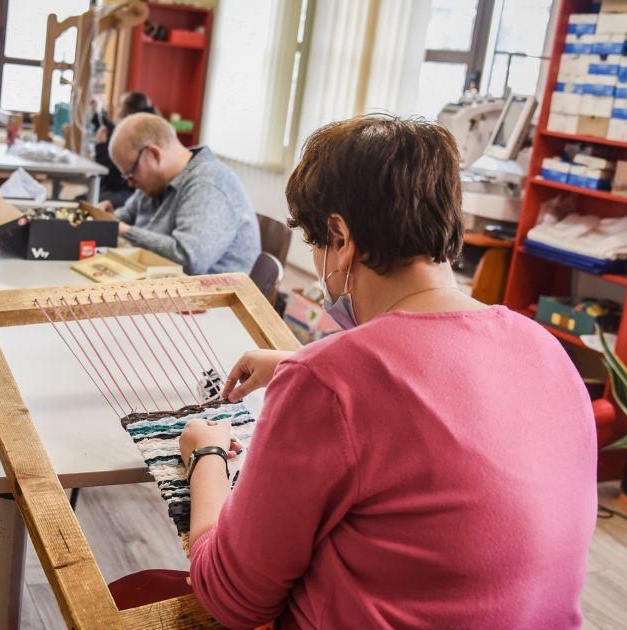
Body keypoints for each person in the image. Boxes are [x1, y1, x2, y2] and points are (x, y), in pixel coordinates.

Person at [168, 116, 597, 628]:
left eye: (317, 247)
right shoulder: (546, 351)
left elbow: (234, 598)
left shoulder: (333, 382)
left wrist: (207, 457)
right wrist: (295, 365)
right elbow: (440, 399)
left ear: (341, 237)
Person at [99, 113, 259, 276]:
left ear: (154, 154)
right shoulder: (157, 181)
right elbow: (128, 214)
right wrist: (110, 219)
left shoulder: (208, 183)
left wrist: (125, 231)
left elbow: (188, 259)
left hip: (208, 293)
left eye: (131, 174)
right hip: (159, 280)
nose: (130, 183)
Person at [92, 91, 158, 208]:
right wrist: (97, 114)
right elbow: (113, 129)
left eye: (119, 107)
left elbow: (113, 176)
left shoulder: (134, 138)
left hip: (124, 192)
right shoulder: (142, 130)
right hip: (123, 190)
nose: (117, 111)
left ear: (127, 114)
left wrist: (101, 146)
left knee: (90, 201)